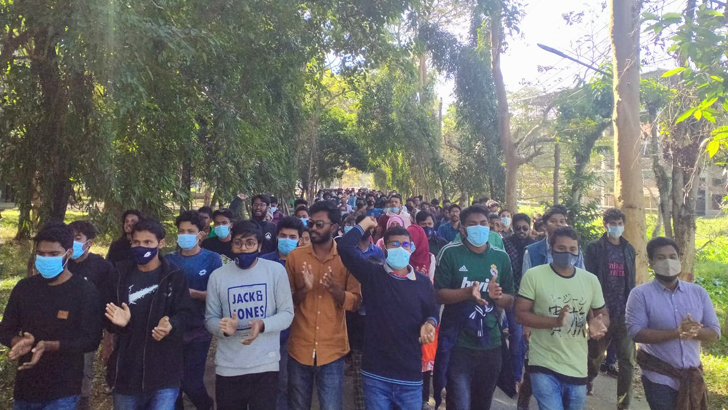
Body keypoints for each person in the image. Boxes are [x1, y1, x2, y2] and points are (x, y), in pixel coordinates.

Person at [338, 216, 438, 410]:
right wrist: (366, 223)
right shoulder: (372, 274)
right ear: (384, 249)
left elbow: (432, 311)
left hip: (410, 374)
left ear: (412, 248)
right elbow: (345, 247)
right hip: (376, 374)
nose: (401, 248)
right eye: (394, 244)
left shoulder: (423, 282)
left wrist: (430, 323)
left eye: (405, 245)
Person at [0, 222, 102, 410]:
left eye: (54, 254)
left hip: (63, 390)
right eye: (41, 254)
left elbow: (91, 340)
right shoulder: (24, 288)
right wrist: (18, 341)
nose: (46, 259)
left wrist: (50, 346)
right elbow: (5, 330)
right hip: (26, 388)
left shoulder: (84, 291)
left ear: (68, 253)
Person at [104, 218, 194, 410]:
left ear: (161, 243)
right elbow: (108, 319)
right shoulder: (119, 275)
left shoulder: (174, 275)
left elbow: (186, 314)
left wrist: (171, 325)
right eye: (136, 242)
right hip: (127, 373)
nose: (141, 247)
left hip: (164, 372)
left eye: (148, 242)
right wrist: (121, 324)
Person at [516, 226, 609, 410]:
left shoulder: (590, 280)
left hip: (577, 366)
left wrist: (598, 324)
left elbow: (603, 314)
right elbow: (520, 314)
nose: (567, 253)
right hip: (543, 363)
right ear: (551, 249)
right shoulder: (534, 276)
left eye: (572, 249)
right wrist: (554, 322)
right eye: (561, 248)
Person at [204, 220, 294, 410]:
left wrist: (262, 325)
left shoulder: (275, 271)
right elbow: (210, 319)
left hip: (265, 364)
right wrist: (224, 329)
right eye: (238, 243)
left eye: (250, 243)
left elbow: (287, 314)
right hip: (229, 366)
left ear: (259, 246)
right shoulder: (217, 277)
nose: (243, 248)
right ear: (231, 245)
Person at [434, 206, 515, 410]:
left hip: (491, 344)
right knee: (459, 402)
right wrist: (467, 292)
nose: (478, 227)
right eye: (472, 224)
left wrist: (498, 297)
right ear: (463, 229)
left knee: (482, 403)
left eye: (483, 223)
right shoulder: (450, 253)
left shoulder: (501, 257)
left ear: (489, 227)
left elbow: (510, 300)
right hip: (458, 342)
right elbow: (438, 294)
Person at [626, 237, 721, 410]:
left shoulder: (698, 293)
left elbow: (715, 333)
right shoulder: (640, 295)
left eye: (672, 257)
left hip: (692, 377)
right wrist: (676, 332)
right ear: (651, 263)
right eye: (661, 258)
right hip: (659, 376)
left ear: (679, 259)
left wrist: (694, 331)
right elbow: (636, 333)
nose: (668, 262)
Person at [286, 200, 362, 410]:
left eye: (319, 224)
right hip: (299, 348)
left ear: (334, 227)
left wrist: (335, 290)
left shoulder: (347, 258)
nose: (312, 228)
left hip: (332, 351)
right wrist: (305, 289)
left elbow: (356, 302)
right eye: (310, 224)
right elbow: (286, 303)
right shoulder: (295, 257)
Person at [166, 211, 223, 410]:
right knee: (173, 384)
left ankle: (206, 406)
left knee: (191, 381)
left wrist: (193, 294)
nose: (185, 235)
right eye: (181, 231)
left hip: (199, 329)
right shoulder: (168, 260)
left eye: (190, 231)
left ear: (201, 234)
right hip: (173, 329)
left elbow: (218, 295)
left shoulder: (212, 259)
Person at [584, 208, 636, 406]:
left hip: (624, 312)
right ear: (605, 225)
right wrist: (591, 313)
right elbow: (589, 278)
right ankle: (588, 379)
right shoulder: (595, 248)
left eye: (619, 223)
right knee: (594, 356)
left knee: (627, 361)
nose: (616, 227)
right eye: (612, 223)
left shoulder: (629, 249)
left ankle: (623, 404)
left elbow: (632, 281)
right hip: (601, 311)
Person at [68, 220, 116, 409]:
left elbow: (109, 302)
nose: (72, 242)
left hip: (86, 334)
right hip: (58, 331)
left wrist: (108, 338)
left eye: (77, 238)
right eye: (69, 237)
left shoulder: (102, 267)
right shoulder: (59, 263)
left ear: (89, 242)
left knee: (83, 377)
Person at [261, 216, 304, 410]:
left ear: (300, 239)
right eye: (283, 235)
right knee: (273, 381)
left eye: (292, 237)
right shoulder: (264, 262)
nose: (287, 240)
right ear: (277, 236)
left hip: (297, 330)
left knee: (291, 382)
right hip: (269, 329)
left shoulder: (305, 264)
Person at [501, 213, 535, 392]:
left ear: (530, 228)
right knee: (516, 337)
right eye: (518, 228)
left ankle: (528, 376)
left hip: (532, 298)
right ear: (513, 228)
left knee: (528, 340)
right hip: (512, 296)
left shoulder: (535, 246)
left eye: (525, 228)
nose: (522, 231)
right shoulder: (505, 244)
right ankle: (515, 377)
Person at [522, 205, 584, 274]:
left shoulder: (574, 250)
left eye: (562, 221)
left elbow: (581, 275)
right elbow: (526, 277)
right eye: (553, 221)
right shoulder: (531, 251)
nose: (558, 224)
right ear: (544, 225)